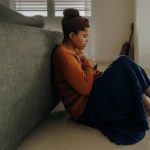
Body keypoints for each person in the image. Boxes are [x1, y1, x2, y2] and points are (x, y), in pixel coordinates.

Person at [52, 8, 150, 145]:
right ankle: (147, 94)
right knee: (123, 61)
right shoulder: (64, 56)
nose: (87, 40)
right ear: (72, 35)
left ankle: (147, 97)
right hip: (85, 107)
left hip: (93, 92)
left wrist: (92, 66)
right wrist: (89, 65)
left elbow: (88, 70)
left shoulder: (73, 50)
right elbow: (85, 88)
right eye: (84, 36)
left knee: (126, 71)